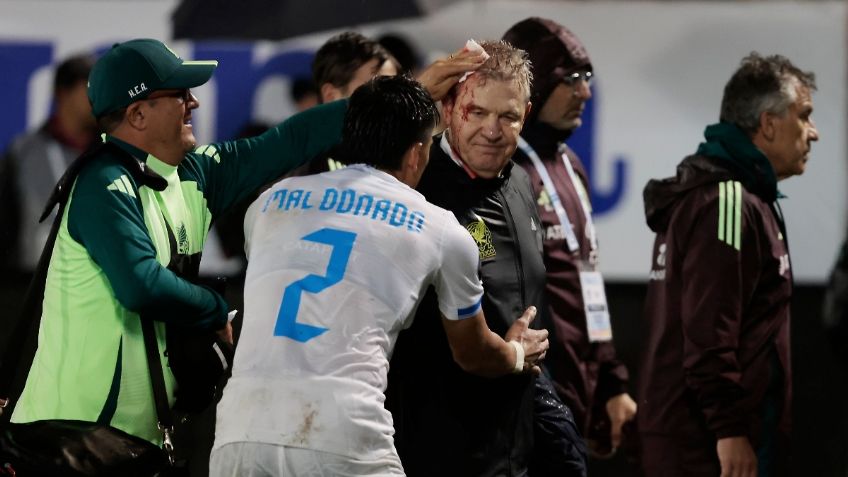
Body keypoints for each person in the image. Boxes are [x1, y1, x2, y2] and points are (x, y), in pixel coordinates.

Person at [4, 38, 349, 447]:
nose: (194, 102)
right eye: (180, 93)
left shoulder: (194, 174)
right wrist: (215, 309)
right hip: (70, 440)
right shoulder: (102, 182)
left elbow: (290, 140)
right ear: (137, 114)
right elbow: (141, 284)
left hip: (134, 443)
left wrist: (391, 101)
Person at [209, 75, 549, 476]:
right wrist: (517, 354)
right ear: (418, 151)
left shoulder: (268, 203)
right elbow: (472, 352)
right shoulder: (440, 229)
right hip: (343, 434)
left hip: (239, 431)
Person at [386, 40, 586, 477]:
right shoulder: (413, 188)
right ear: (450, 108)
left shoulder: (521, 183)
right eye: (477, 112)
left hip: (510, 443)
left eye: (507, 116)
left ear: (526, 116)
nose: (492, 131)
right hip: (433, 448)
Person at [639, 52, 818, 477]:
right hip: (707, 449)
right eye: (804, 115)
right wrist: (729, 431)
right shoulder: (727, 202)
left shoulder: (733, 198)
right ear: (769, 123)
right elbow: (709, 333)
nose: (814, 133)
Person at [503, 17, 637, 455]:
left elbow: (587, 277)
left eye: (588, 77)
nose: (586, 92)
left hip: (582, 383)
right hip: (530, 390)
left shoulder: (570, 166)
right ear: (535, 86)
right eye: (572, 79)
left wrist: (611, 380)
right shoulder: (504, 172)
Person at [0, 53, 98, 274]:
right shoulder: (23, 153)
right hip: (32, 286)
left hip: (97, 288)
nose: (99, 97)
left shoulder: (111, 151)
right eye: (90, 88)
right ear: (64, 93)